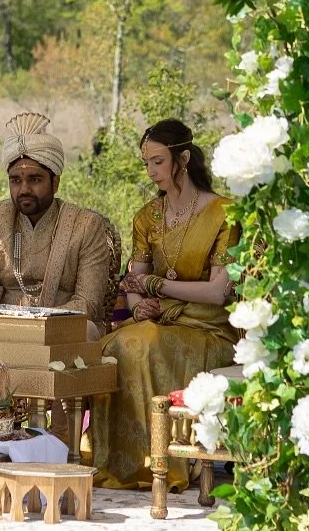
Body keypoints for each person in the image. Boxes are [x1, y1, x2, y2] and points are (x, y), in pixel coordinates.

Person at [91, 120, 238, 490]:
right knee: (113, 346)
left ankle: (162, 462)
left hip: (208, 327)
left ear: (182, 159)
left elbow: (218, 291)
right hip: (160, 320)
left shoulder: (224, 214)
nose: (151, 171)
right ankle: (122, 463)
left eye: (158, 161)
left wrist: (157, 286)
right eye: (146, 163)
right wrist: (139, 304)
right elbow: (134, 280)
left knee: (142, 344)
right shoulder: (147, 217)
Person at [0, 112, 115, 356]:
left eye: (35, 179)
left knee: (88, 331)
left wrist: (38, 322)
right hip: (0, 323)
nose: (24, 189)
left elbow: (88, 303)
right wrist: (7, 320)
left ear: (55, 182)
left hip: (60, 326)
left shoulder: (85, 225)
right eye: (15, 180)